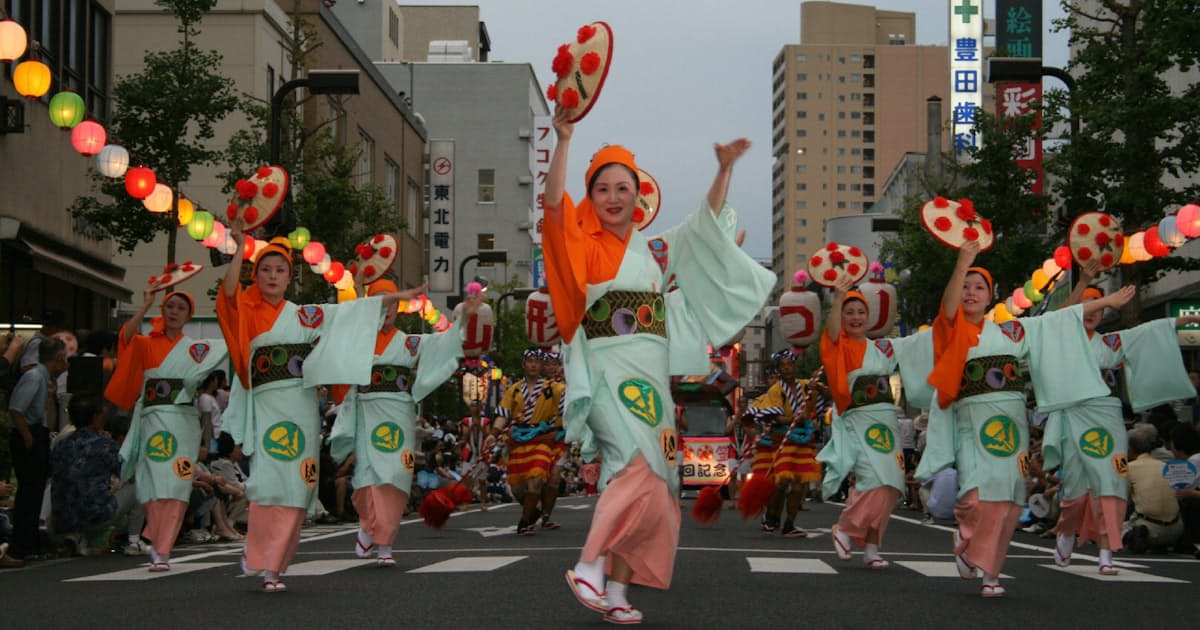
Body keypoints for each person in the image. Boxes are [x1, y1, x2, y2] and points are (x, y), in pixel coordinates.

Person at [544, 105, 774, 623]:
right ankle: (587, 566)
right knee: (632, 466)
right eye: (602, 188)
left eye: (623, 188)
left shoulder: (654, 251)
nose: (613, 197)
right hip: (605, 370)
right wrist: (563, 140)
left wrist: (725, 169)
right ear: (591, 195)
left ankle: (620, 591)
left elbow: (703, 228)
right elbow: (554, 206)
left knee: (659, 485)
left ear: (638, 195)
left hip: (650, 376)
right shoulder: (581, 242)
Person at [916, 240, 1134, 598]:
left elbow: (1055, 322)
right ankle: (966, 537)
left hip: (1011, 424)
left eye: (979, 287)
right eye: (966, 286)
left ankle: (990, 573)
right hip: (972, 422)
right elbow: (950, 302)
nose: (971, 293)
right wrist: (965, 262)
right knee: (974, 497)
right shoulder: (951, 328)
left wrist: (1098, 296)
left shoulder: (1011, 332)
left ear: (991, 297)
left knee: (1008, 499)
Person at [217, 227, 417, 593]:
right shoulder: (247, 309)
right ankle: (263, 559)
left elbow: (344, 318)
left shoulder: (303, 315)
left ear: (290, 278)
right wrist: (239, 250)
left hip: (301, 404)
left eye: (280, 270)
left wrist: (382, 295)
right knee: (267, 484)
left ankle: (274, 565)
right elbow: (228, 295)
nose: (273, 276)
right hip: (266, 406)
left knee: (299, 486)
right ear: (255, 274)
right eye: (265, 270)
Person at [1044, 269, 1198, 574]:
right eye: (1087, 307)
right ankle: (1065, 530)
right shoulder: (1063, 338)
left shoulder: (1109, 342)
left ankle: (1106, 552)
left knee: (1112, 483)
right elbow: (1061, 317)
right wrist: (1085, 281)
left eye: (1099, 308)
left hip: (1105, 417)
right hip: (1073, 415)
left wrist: (1186, 320)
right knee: (1075, 487)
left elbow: (1149, 332)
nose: (1092, 313)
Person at [329, 279, 478, 567]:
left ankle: (385, 544)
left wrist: (464, 318)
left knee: (396, 476)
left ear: (398, 309)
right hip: (365, 411)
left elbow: (442, 343)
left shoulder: (408, 342)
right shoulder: (358, 339)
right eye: (380, 303)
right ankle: (367, 524)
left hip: (397, 413)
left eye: (391, 304)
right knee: (366, 478)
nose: (386, 310)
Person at [104, 285, 229, 571]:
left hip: (181, 422)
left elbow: (228, 345)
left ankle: (162, 549)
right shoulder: (147, 342)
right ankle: (156, 535)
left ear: (189, 316)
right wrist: (145, 304)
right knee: (150, 484)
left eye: (181, 308)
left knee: (177, 484)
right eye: (170, 306)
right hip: (151, 420)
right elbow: (124, 338)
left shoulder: (194, 350)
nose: (174, 312)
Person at [818, 278, 927, 568]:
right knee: (872, 479)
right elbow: (829, 332)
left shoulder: (882, 348)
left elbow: (916, 346)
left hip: (886, 421)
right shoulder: (837, 344)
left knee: (892, 484)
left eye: (860, 312)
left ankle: (871, 548)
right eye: (849, 312)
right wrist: (838, 296)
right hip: (858, 420)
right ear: (841, 316)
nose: (855, 317)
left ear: (869, 317)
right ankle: (845, 527)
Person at [6, 336, 68, 564]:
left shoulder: (43, 378)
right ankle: (18, 548)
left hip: (35, 434)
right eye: (65, 359)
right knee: (28, 493)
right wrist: (28, 437)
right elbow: (16, 410)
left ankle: (29, 544)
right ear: (59, 358)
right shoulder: (34, 377)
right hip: (29, 434)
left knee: (34, 492)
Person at [748, 350, 823, 537]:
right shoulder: (775, 390)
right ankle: (772, 517)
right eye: (783, 365)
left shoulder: (806, 385)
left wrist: (819, 388)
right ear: (778, 370)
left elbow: (827, 396)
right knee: (780, 482)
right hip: (781, 439)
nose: (787, 368)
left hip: (803, 441)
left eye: (790, 364)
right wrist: (792, 419)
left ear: (794, 366)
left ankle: (789, 524)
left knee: (798, 486)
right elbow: (776, 417)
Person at [495, 348, 565, 535]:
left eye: (537, 361)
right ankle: (533, 512)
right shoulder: (514, 389)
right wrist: (493, 432)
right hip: (518, 441)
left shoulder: (553, 388)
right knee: (517, 489)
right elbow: (503, 414)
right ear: (523, 365)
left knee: (536, 480)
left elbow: (571, 397)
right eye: (530, 361)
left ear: (541, 366)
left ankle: (525, 522)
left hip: (542, 440)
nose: (533, 364)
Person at [49, 394, 120, 556]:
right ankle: (132, 538)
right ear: (95, 417)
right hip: (95, 515)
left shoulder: (60, 445)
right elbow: (123, 471)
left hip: (61, 517)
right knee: (136, 486)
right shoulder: (105, 444)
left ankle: (73, 536)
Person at [1124, 425, 1184, 552]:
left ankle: (1135, 536)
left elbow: (1124, 503)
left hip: (1148, 528)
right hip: (1177, 529)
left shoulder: (1128, 468)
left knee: (1113, 529)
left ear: (1129, 449)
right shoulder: (1165, 466)